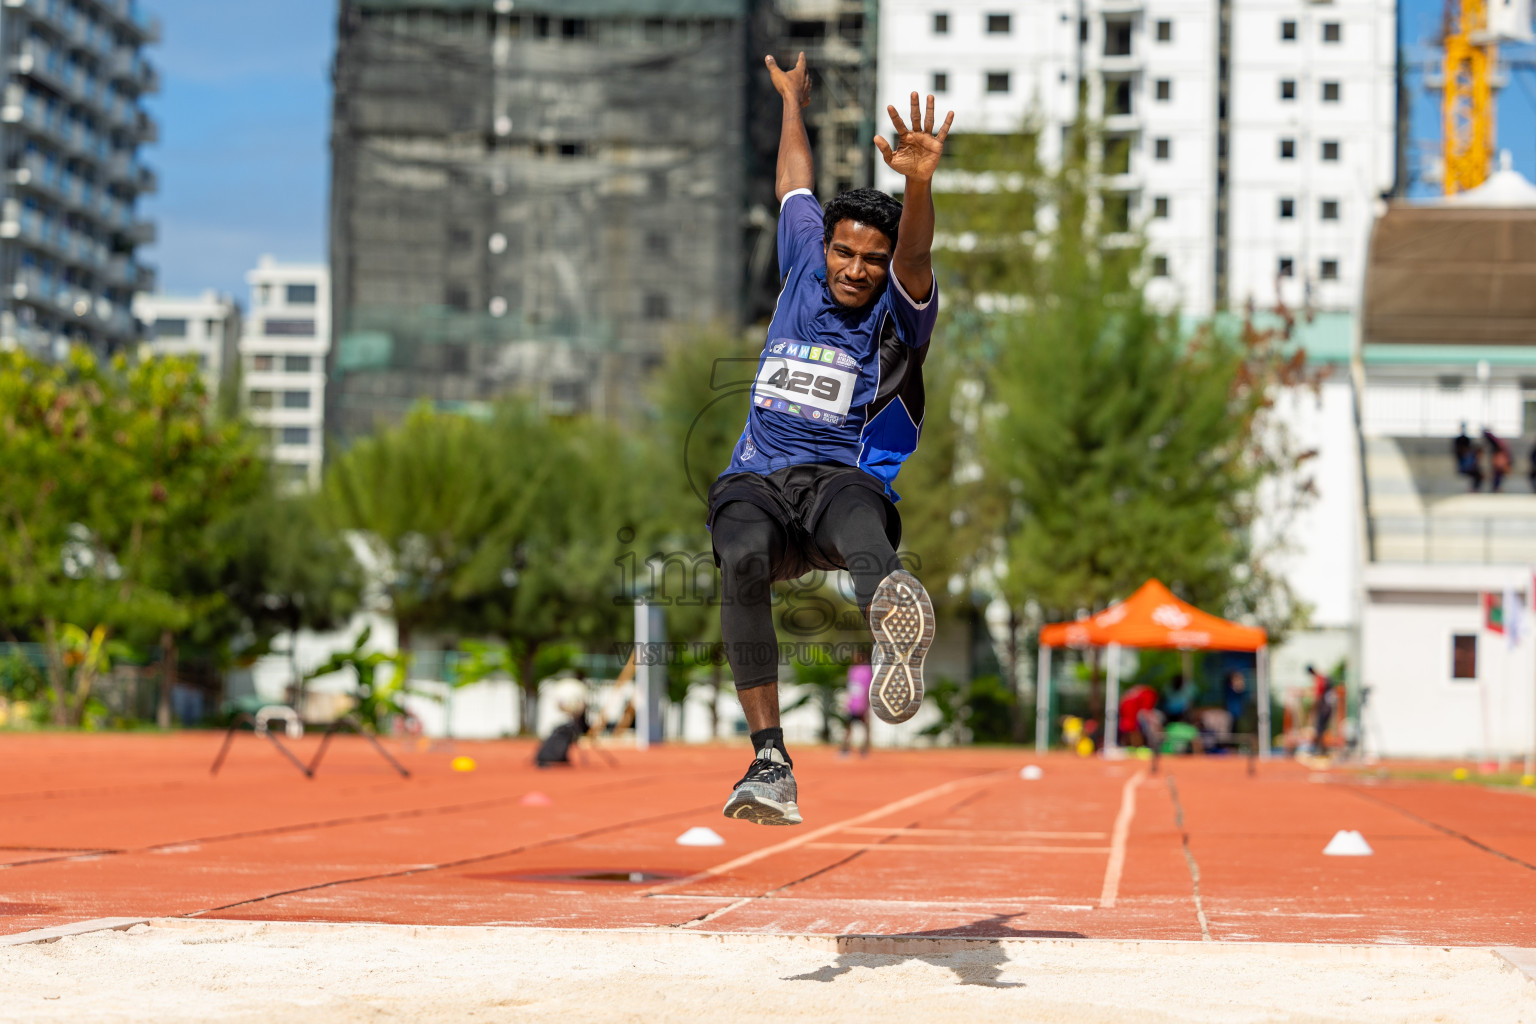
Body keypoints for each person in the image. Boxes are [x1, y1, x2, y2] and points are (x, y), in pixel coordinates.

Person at [712, 52, 954, 826]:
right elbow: (793, 181)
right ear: (824, 247)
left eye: (871, 262)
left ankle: (890, 612)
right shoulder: (801, 264)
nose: (856, 269)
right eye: (845, 253)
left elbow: (915, 254)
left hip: (835, 477)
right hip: (757, 477)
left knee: (860, 514)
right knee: (739, 555)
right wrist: (792, 102)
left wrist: (917, 182)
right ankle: (770, 762)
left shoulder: (899, 308)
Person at [840, 650, 872, 758]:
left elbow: (867, 688)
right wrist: (847, 702)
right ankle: (845, 748)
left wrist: (866, 704)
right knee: (849, 727)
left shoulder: (867, 670)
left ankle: (864, 749)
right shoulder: (852, 669)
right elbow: (850, 687)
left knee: (866, 727)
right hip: (853, 704)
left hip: (861, 704)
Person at [1305, 663, 1337, 755]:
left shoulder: (1319, 679)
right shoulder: (1323, 677)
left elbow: (1319, 695)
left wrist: (1313, 708)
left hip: (1324, 707)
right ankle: (1320, 749)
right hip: (1327, 706)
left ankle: (1320, 750)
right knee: (1320, 728)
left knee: (1319, 728)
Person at [1454, 424, 1483, 491]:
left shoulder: (1467, 440)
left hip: (1469, 466)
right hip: (1464, 466)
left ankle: (1475, 489)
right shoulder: (1458, 441)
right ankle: (1473, 489)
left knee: (1478, 475)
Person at [1485, 428, 1511, 492]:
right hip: (1499, 461)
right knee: (1497, 474)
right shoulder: (1499, 447)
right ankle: (1495, 487)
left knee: (1498, 475)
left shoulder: (1501, 449)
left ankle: (1495, 487)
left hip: (1500, 461)